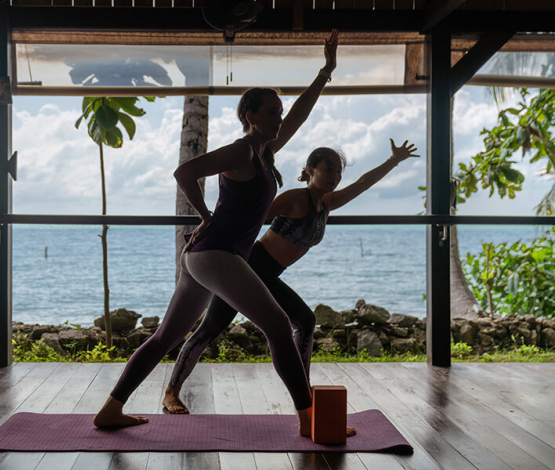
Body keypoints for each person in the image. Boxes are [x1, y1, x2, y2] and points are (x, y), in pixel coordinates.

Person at [93, 30, 340, 436]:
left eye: (279, 112)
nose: (280, 118)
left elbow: (300, 113)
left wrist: (325, 73)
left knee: (164, 338)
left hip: (207, 258)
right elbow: (185, 172)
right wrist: (205, 215)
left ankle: (110, 409)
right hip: (216, 254)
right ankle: (309, 419)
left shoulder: (265, 152)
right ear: (250, 117)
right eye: (271, 112)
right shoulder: (243, 150)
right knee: (278, 327)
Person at [162, 139, 419, 422]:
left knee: (305, 321)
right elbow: (248, 218)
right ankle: (172, 391)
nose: (334, 176)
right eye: (328, 169)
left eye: (338, 172)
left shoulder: (327, 204)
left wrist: (393, 161)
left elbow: (362, 184)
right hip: (250, 267)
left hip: (269, 274)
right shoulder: (295, 199)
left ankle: (302, 391)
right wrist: (210, 232)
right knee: (211, 328)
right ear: (310, 169)